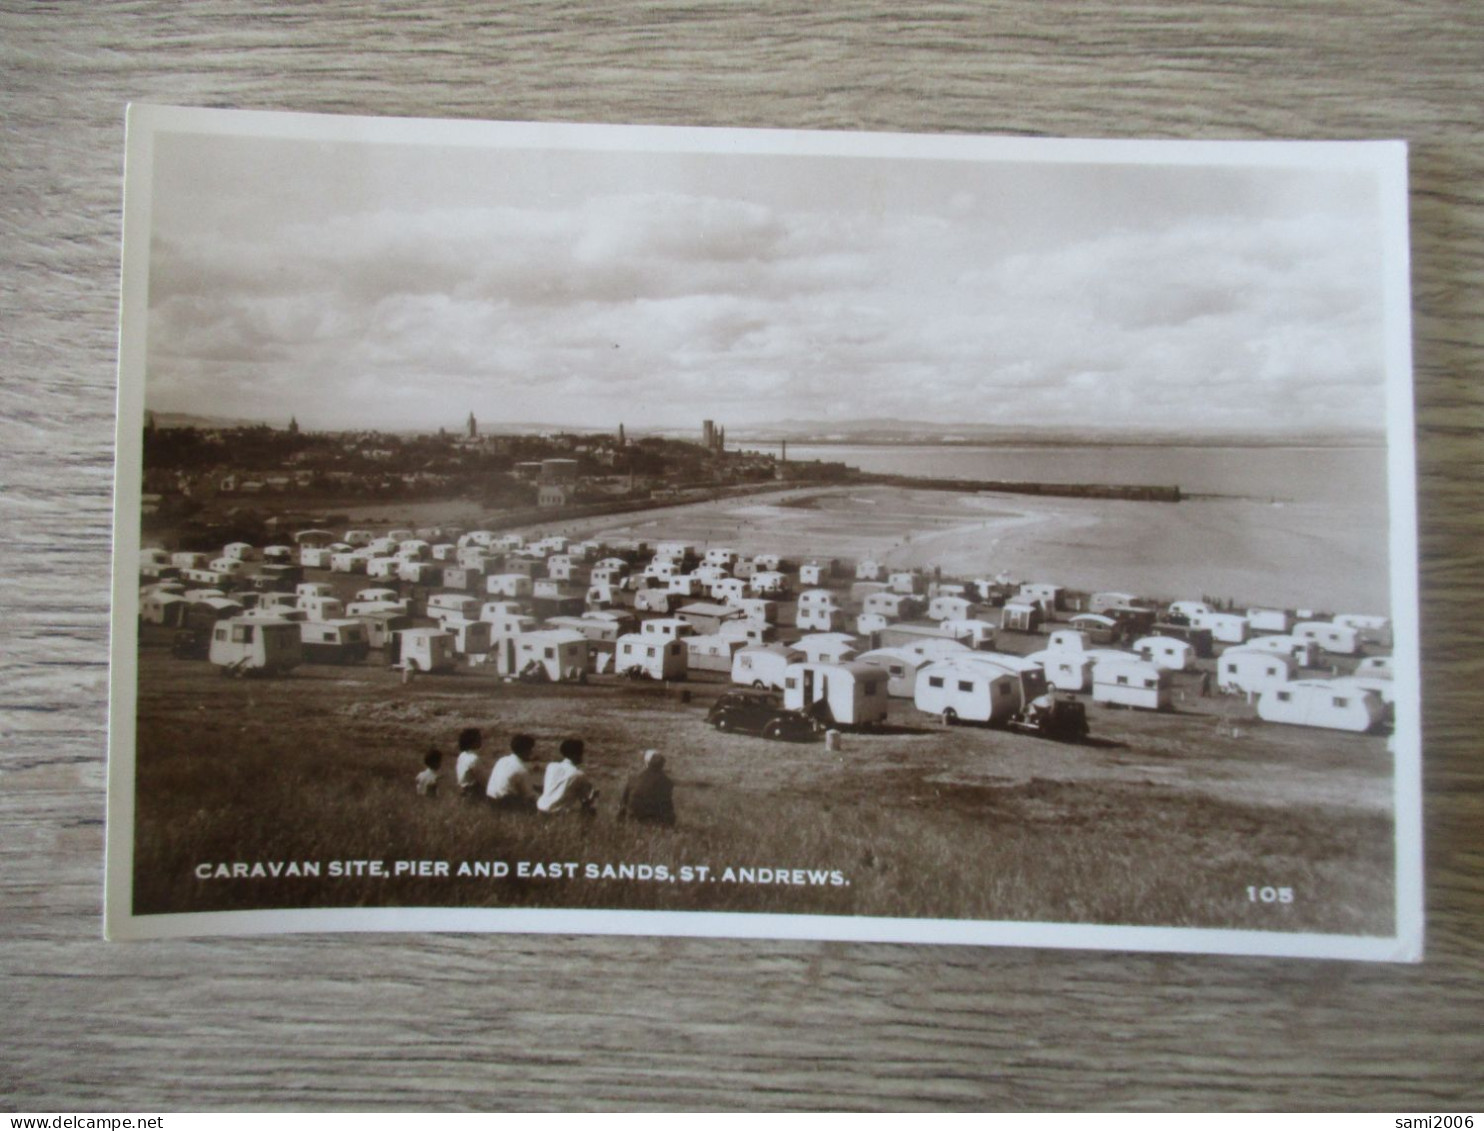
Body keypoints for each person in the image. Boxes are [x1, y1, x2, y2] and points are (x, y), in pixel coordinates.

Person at [537, 737, 598, 816]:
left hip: (540, 809)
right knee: (591, 803)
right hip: (557, 813)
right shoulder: (578, 774)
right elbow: (586, 799)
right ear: (576, 755)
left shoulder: (551, 766)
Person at [618, 749, 675, 827]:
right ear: (662, 764)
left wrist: (620, 820)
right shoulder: (667, 782)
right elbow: (667, 806)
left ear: (646, 763)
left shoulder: (633, 778)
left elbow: (623, 803)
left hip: (633, 820)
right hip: (657, 822)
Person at [486, 733, 538, 810]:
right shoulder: (521, 769)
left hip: (490, 799)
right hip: (505, 803)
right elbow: (530, 795)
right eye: (531, 749)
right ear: (526, 750)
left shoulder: (502, 760)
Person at [454, 727, 484, 799]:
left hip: (462, 788)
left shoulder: (462, 755)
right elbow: (482, 779)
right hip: (472, 791)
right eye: (478, 739)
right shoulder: (474, 758)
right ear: (472, 742)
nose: (481, 741)